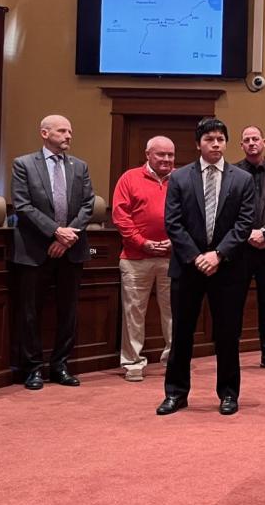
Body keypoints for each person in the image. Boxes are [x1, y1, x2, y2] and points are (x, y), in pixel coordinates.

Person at [157, 118, 256, 417]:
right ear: (198, 143)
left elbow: (244, 224)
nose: (215, 144)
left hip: (227, 269)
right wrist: (196, 256)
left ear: (226, 143)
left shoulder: (242, 179)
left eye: (220, 139)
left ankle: (228, 393)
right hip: (188, 268)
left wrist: (218, 255)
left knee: (227, 334)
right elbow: (172, 222)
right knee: (182, 335)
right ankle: (176, 393)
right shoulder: (180, 178)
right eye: (209, 139)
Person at [10, 114, 95, 390]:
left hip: (71, 249)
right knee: (30, 311)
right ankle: (33, 368)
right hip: (35, 249)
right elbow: (23, 206)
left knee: (68, 310)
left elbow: (88, 205)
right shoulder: (23, 164)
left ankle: (60, 366)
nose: (68, 135)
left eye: (70, 131)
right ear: (44, 133)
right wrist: (55, 232)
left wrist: (67, 236)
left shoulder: (79, 166)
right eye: (62, 131)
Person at [111, 136, 175, 382]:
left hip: (172, 256)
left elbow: (189, 214)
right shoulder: (129, 178)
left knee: (174, 312)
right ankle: (133, 363)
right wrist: (142, 242)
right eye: (161, 155)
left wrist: (174, 241)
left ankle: (174, 360)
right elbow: (121, 216)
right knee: (133, 312)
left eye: (170, 155)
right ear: (148, 154)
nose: (167, 160)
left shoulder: (179, 179)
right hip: (136, 257)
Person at [234, 125, 265, 371]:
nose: (252, 143)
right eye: (247, 140)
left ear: (264, 142)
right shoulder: (231, 172)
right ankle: (230, 350)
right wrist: (246, 235)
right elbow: (227, 213)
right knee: (233, 303)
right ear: (241, 146)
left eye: (255, 139)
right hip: (239, 252)